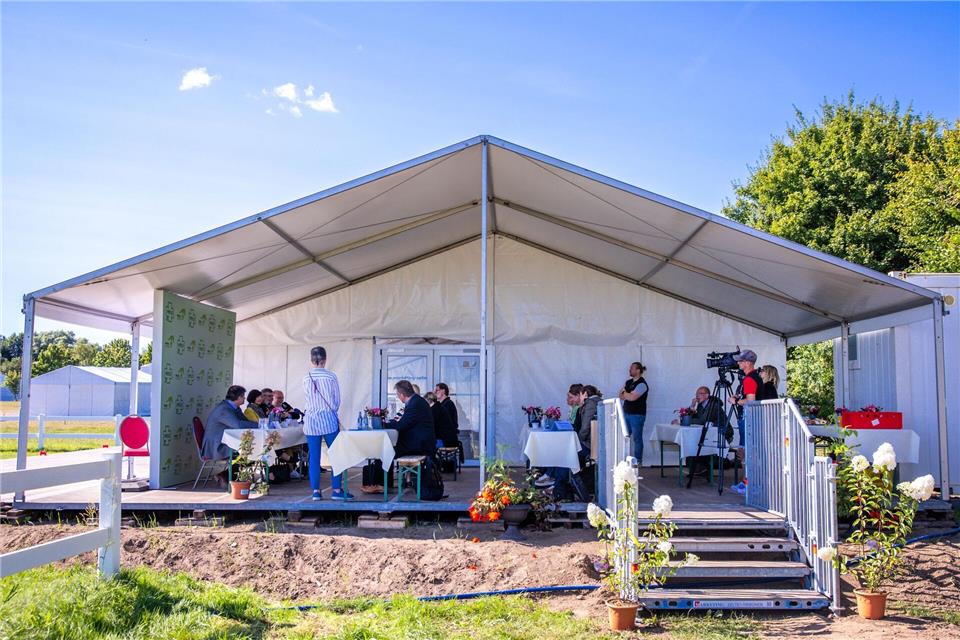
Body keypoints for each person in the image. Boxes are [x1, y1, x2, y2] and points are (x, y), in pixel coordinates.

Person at [302, 346, 353, 501]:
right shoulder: (331, 377)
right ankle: (336, 490)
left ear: (312, 360)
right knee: (336, 455)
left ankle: (316, 492)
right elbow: (336, 400)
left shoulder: (306, 377)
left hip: (311, 421)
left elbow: (307, 398)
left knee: (314, 458)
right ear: (325, 359)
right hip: (328, 419)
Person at [202, 385, 257, 487]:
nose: (244, 398)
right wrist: (259, 425)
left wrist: (258, 425)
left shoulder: (235, 408)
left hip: (226, 441)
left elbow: (245, 422)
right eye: (243, 396)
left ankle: (224, 475)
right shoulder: (223, 409)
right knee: (250, 451)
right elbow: (238, 425)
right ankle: (225, 475)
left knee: (254, 450)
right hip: (217, 446)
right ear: (238, 397)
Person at [389, 379, 436, 457]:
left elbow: (402, 425)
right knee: (389, 449)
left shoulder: (414, 404)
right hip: (422, 442)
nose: (397, 397)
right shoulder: (417, 400)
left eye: (397, 394)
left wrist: (384, 424)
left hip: (419, 446)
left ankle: (379, 469)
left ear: (401, 395)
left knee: (387, 452)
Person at [728, 350, 763, 446]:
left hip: (748, 417)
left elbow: (751, 400)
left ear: (748, 363)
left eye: (740, 361)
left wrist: (736, 401)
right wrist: (740, 396)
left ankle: (744, 461)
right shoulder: (756, 376)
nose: (738, 363)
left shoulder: (749, 379)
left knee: (745, 447)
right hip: (756, 417)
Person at [618, 362, 649, 463]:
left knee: (637, 438)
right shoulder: (628, 382)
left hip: (637, 414)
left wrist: (625, 393)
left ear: (638, 370)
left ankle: (638, 460)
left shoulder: (642, 384)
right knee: (623, 436)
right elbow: (621, 396)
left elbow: (632, 398)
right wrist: (627, 394)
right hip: (626, 413)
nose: (629, 370)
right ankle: (622, 459)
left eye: (631, 368)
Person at [435, 383, 463, 462]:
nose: (435, 392)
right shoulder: (444, 404)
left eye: (437, 390)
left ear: (443, 391)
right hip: (446, 438)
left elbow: (444, 425)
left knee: (427, 445)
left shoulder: (447, 405)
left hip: (447, 440)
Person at [576, 385, 602, 456]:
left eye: (580, 394)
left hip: (590, 444)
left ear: (585, 394)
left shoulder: (590, 404)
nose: (579, 397)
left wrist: (578, 441)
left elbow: (585, 427)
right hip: (596, 443)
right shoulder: (598, 401)